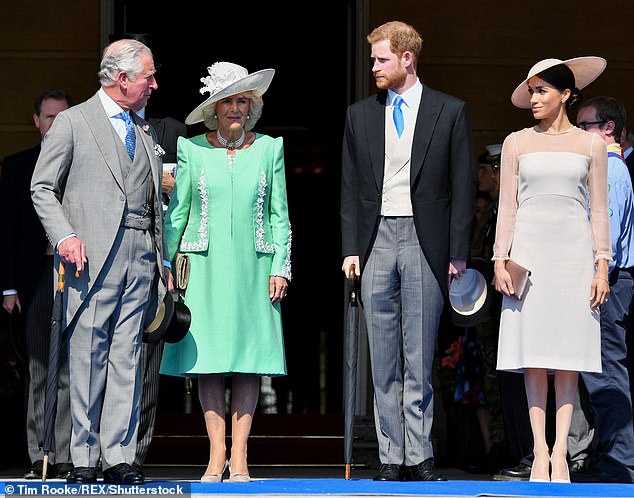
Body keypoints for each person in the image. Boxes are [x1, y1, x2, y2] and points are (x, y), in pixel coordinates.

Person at [30, 38, 172, 485]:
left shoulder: (144, 132)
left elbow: (151, 204)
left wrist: (162, 261)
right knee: (89, 353)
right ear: (122, 78)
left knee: (127, 355)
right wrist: (66, 236)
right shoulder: (73, 122)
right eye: (148, 75)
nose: (154, 84)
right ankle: (85, 457)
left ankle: (119, 457)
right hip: (90, 258)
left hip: (141, 258)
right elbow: (42, 187)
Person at [340, 21, 476, 482]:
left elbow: (463, 184)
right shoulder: (360, 114)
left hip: (425, 239)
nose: (374, 67)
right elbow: (351, 189)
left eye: (381, 59)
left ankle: (419, 455)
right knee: (382, 355)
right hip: (376, 239)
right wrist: (350, 249)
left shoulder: (450, 110)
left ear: (407, 59)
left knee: (418, 353)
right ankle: (389, 455)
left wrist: (458, 251)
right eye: (374, 59)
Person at [159, 61, 291, 483]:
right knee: (210, 361)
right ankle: (216, 456)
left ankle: (242, 457)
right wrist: (165, 263)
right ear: (213, 109)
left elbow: (280, 217)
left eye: (241, 101)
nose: (234, 109)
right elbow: (177, 213)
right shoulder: (191, 148)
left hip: (255, 267)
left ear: (251, 107)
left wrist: (281, 267)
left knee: (248, 361)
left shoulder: (271, 148)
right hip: (203, 266)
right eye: (226, 102)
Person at [493, 57, 611, 483]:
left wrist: (602, 266)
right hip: (529, 256)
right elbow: (507, 207)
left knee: (567, 359)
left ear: (565, 94)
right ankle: (539, 452)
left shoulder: (591, 145)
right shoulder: (516, 142)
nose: (534, 98)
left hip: (574, 257)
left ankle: (562, 452)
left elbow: (599, 210)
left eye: (542, 90)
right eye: (530, 91)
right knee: (533, 359)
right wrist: (498, 258)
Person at [1, 89, 74, 479]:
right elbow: (6, 230)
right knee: (40, 367)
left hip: (77, 275)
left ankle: (64, 454)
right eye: (49, 118)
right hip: (35, 279)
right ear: (36, 121)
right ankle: (39, 454)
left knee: (72, 369)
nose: (55, 125)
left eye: (63, 118)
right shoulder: (16, 166)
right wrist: (8, 287)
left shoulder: (81, 163)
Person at [567, 96, 634, 483]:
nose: (580, 131)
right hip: (607, 278)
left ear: (608, 129)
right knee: (600, 373)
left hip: (607, 279)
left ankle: (618, 463)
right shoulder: (606, 167)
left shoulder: (610, 168)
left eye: (586, 124)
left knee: (606, 372)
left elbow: (602, 229)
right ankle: (609, 456)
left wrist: (598, 274)